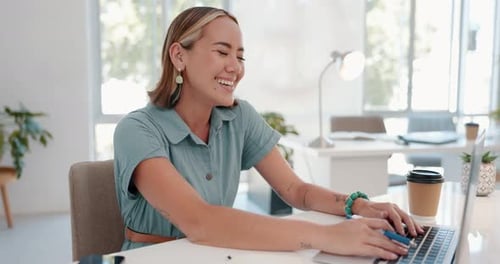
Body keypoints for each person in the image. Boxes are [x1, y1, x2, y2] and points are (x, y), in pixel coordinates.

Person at [113, 6, 424, 260]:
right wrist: (327, 236)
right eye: (222, 52)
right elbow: (200, 222)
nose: (235, 67)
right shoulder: (137, 130)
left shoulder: (239, 117)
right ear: (179, 56)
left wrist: (358, 205)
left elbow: (295, 190)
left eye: (240, 56)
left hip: (218, 254)